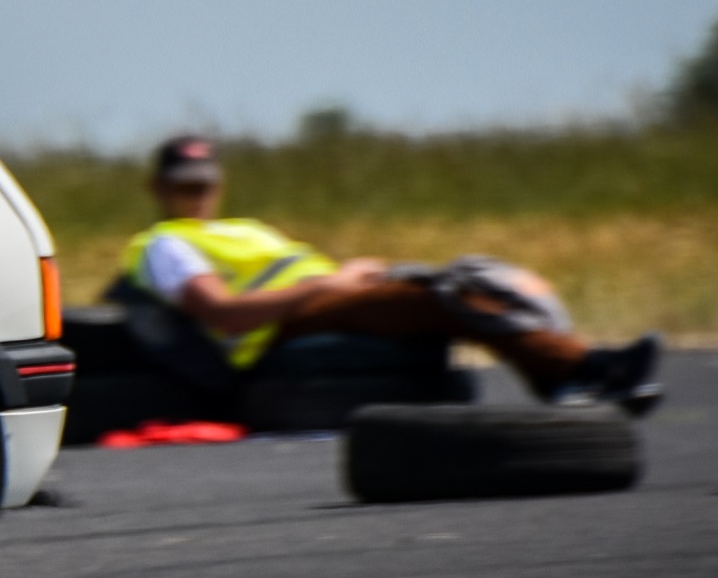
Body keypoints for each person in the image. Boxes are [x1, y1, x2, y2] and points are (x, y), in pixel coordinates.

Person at [117, 135, 661, 415]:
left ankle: (564, 375)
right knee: (444, 295)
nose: (197, 194)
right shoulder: (165, 244)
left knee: (475, 277)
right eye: (184, 185)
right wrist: (328, 285)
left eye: (205, 183)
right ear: (158, 188)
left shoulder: (241, 228)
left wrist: (348, 275)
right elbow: (221, 313)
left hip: (324, 299)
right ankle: (584, 368)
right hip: (277, 328)